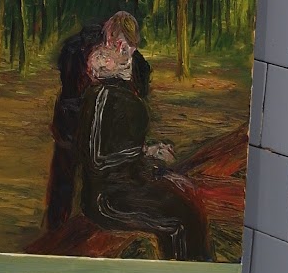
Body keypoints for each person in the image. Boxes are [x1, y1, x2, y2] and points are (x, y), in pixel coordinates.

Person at [78, 37, 210, 260]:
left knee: (180, 205)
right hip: (114, 199)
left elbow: (106, 152)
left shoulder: (94, 96)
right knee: (184, 218)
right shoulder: (129, 104)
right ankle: (189, 269)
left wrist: (147, 154)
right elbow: (105, 160)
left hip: (96, 196)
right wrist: (155, 160)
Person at [45, 11, 150, 230]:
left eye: (127, 46)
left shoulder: (137, 63)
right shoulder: (78, 48)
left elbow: (136, 98)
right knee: (64, 179)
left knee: (95, 180)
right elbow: (69, 87)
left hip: (104, 132)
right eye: (116, 41)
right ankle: (56, 228)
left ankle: (85, 225)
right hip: (71, 125)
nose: (120, 48)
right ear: (108, 32)